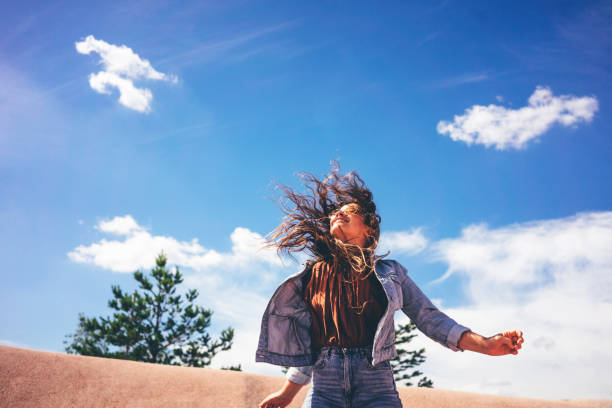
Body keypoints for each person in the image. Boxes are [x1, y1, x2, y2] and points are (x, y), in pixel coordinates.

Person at [256, 168, 524, 408]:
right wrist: (287, 394)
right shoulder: (312, 275)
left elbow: (429, 318)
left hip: (375, 385)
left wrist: (486, 345)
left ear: (370, 230)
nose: (339, 213)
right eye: (337, 212)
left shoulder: (391, 273)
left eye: (350, 212)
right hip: (325, 386)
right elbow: (308, 345)